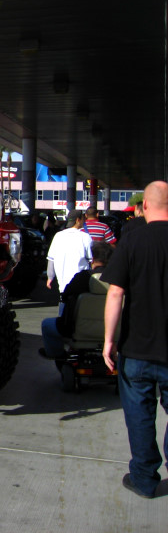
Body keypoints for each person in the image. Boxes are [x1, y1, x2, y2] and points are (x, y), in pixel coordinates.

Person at [102, 180, 168, 499]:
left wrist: (108, 341)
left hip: (137, 348)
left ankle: (143, 477)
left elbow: (115, 292)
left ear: (145, 206)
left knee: (140, 414)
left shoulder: (132, 238)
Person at [40, 241, 113, 358]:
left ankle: (58, 356)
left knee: (46, 325)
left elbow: (65, 296)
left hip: (77, 331)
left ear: (92, 259)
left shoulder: (82, 277)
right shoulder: (118, 279)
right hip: (112, 333)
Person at [46, 209, 93, 295]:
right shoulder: (85, 237)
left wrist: (50, 277)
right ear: (78, 220)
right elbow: (91, 260)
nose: (84, 221)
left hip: (62, 284)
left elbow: (51, 259)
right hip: (80, 282)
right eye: (83, 219)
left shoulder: (58, 236)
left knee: (63, 303)